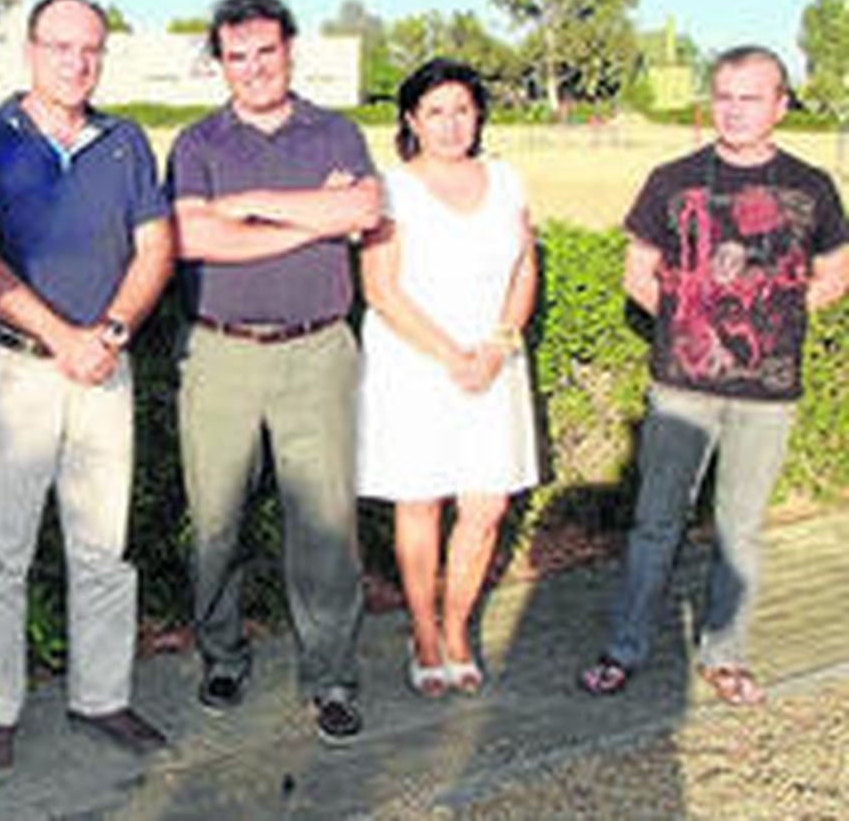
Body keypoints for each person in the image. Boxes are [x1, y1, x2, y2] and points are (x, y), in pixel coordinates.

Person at [578, 45, 849, 705]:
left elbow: (836, 273)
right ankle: (625, 648)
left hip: (768, 394)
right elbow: (638, 275)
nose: (734, 109)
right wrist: (694, 327)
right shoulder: (671, 180)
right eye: (724, 95)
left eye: (750, 96)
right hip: (681, 388)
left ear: (781, 104)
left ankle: (725, 654)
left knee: (740, 526)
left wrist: (771, 322)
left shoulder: (812, 186)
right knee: (655, 522)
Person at [0, 0, 174, 769]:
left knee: (104, 545)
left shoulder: (126, 141)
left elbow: (155, 248)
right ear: (30, 51)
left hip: (106, 368)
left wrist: (107, 333)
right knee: (1, 548)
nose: (77, 63)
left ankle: (102, 696)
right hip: (17, 368)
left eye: (91, 50)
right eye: (61, 48)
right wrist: (64, 338)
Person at [168, 0, 382, 743]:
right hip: (220, 352)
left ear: (290, 49)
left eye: (266, 51)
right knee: (217, 522)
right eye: (237, 56)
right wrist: (308, 215)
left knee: (325, 526)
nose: (254, 68)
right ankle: (222, 654)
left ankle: (330, 676)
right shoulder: (197, 143)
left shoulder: (337, 133)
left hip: (318, 349)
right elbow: (191, 238)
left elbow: (364, 210)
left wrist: (251, 204)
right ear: (220, 63)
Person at [356, 58, 539, 698]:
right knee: (421, 501)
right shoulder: (390, 189)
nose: (450, 123)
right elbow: (380, 290)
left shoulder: (507, 179)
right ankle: (425, 636)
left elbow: (524, 270)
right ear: (411, 120)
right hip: (415, 365)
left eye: (462, 109)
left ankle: (458, 627)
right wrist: (449, 355)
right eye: (435, 111)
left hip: (494, 364)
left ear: (479, 115)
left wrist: (497, 345)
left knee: (486, 504)